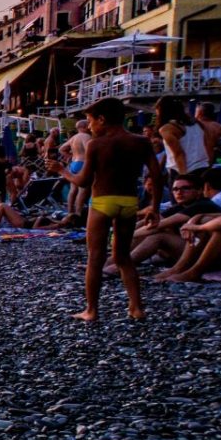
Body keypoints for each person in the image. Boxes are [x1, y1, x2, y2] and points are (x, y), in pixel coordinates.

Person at [70, 97, 167, 322]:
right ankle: (136, 308)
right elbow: (157, 175)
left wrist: (61, 171)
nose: (90, 126)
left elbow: (83, 181)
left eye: (90, 121)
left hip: (103, 202)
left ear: (102, 119)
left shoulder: (96, 144)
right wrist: (154, 207)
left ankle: (91, 310)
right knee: (123, 257)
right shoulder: (141, 141)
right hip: (129, 203)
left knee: (95, 257)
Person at [130, 172, 220, 267]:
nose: (179, 192)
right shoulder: (181, 206)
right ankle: (117, 260)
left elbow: (157, 226)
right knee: (147, 225)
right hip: (189, 248)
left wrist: (128, 235)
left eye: (185, 188)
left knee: (159, 236)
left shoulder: (202, 204)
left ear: (199, 191)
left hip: (208, 254)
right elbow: (151, 222)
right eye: (175, 189)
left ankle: (121, 264)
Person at [154, 97, 207, 179]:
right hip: (203, 167)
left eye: (157, 109)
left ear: (162, 110)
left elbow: (179, 154)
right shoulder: (197, 124)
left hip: (183, 170)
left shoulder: (167, 128)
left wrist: (183, 177)